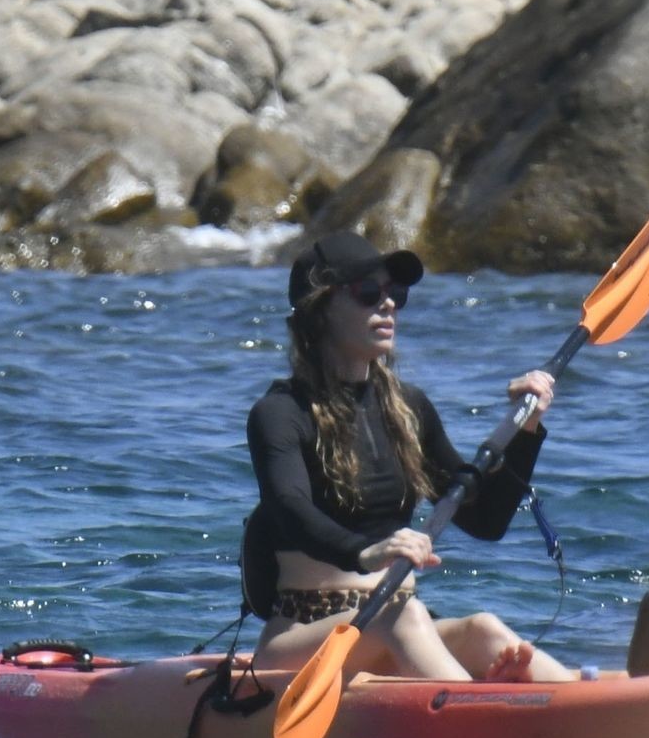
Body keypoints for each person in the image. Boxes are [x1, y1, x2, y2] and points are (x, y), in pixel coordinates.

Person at [244, 231, 574, 682]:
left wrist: (526, 428)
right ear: (319, 311)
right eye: (367, 292)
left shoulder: (408, 409)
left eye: (394, 294)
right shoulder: (281, 413)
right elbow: (289, 509)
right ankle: (482, 711)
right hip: (302, 641)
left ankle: (582, 704)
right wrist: (366, 552)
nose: (388, 305)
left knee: (483, 629)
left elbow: (485, 521)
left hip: (397, 624)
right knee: (401, 617)